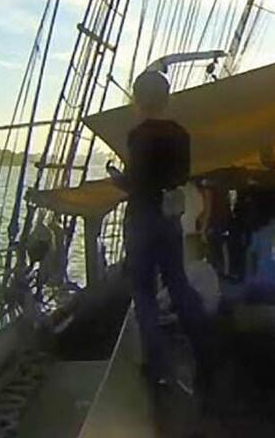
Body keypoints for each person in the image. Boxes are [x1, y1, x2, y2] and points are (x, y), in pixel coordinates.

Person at [110, 70, 209, 385]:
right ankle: (205, 348)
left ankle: (158, 366)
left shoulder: (138, 136)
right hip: (169, 219)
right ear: (167, 98)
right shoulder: (181, 135)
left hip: (142, 218)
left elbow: (137, 183)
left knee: (144, 291)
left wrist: (117, 178)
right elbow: (181, 176)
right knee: (177, 282)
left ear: (138, 100)